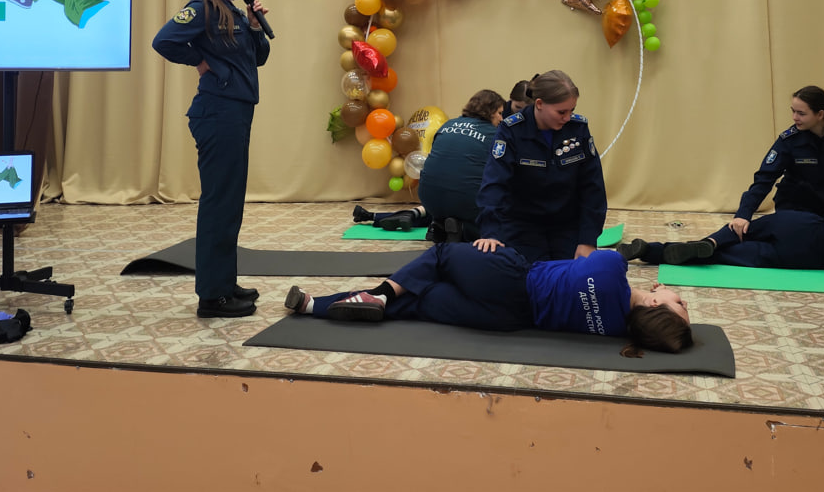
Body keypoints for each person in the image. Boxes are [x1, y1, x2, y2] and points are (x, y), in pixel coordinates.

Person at [284, 243, 693, 357]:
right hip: (506, 320)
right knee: (418, 303)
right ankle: (312, 305)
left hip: (511, 280)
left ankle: (377, 294)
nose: (684, 301)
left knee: (441, 255)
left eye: (681, 306)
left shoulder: (612, 268)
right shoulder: (617, 331)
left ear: (654, 304)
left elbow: (580, 257)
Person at [152, 0, 271, 318]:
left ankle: (224, 282)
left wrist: (254, 26)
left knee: (229, 204)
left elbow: (259, 58)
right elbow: (163, 41)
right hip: (218, 113)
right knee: (219, 204)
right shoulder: (202, 8)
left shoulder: (233, 12)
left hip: (236, 112)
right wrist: (200, 60)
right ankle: (212, 297)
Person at [476, 70, 607, 262]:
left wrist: (588, 240)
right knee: (526, 273)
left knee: (576, 274)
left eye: (572, 110)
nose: (567, 117)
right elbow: (494, 183)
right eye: (561, 112)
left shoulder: (577, 129)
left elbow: (593, 187)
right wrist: (491, 233)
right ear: (539, 104)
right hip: (522, 225)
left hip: (566, 224)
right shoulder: (512, 131)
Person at [617, 211, 824, 280]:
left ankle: (707, 240)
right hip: (799, 257)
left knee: (738, 229)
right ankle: (651, 251)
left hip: (801, 225)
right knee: (721, 257)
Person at [351, 89, 504, 240]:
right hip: (465, 201)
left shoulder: (447, 125)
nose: (502, 118)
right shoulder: (494, 134)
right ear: (489, 111)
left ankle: (438, 223)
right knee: (500, 218)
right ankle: (461, 228)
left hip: (428, 198)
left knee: (448, 196)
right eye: (500, 113)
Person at [729, 85, 824, 239]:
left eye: (801, 113)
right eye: (793, 111)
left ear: (820, 114)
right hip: (797, 212)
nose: (794, 117)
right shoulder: (789, 140)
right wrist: (743, 214)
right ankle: (715, 243)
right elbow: (764, 179)